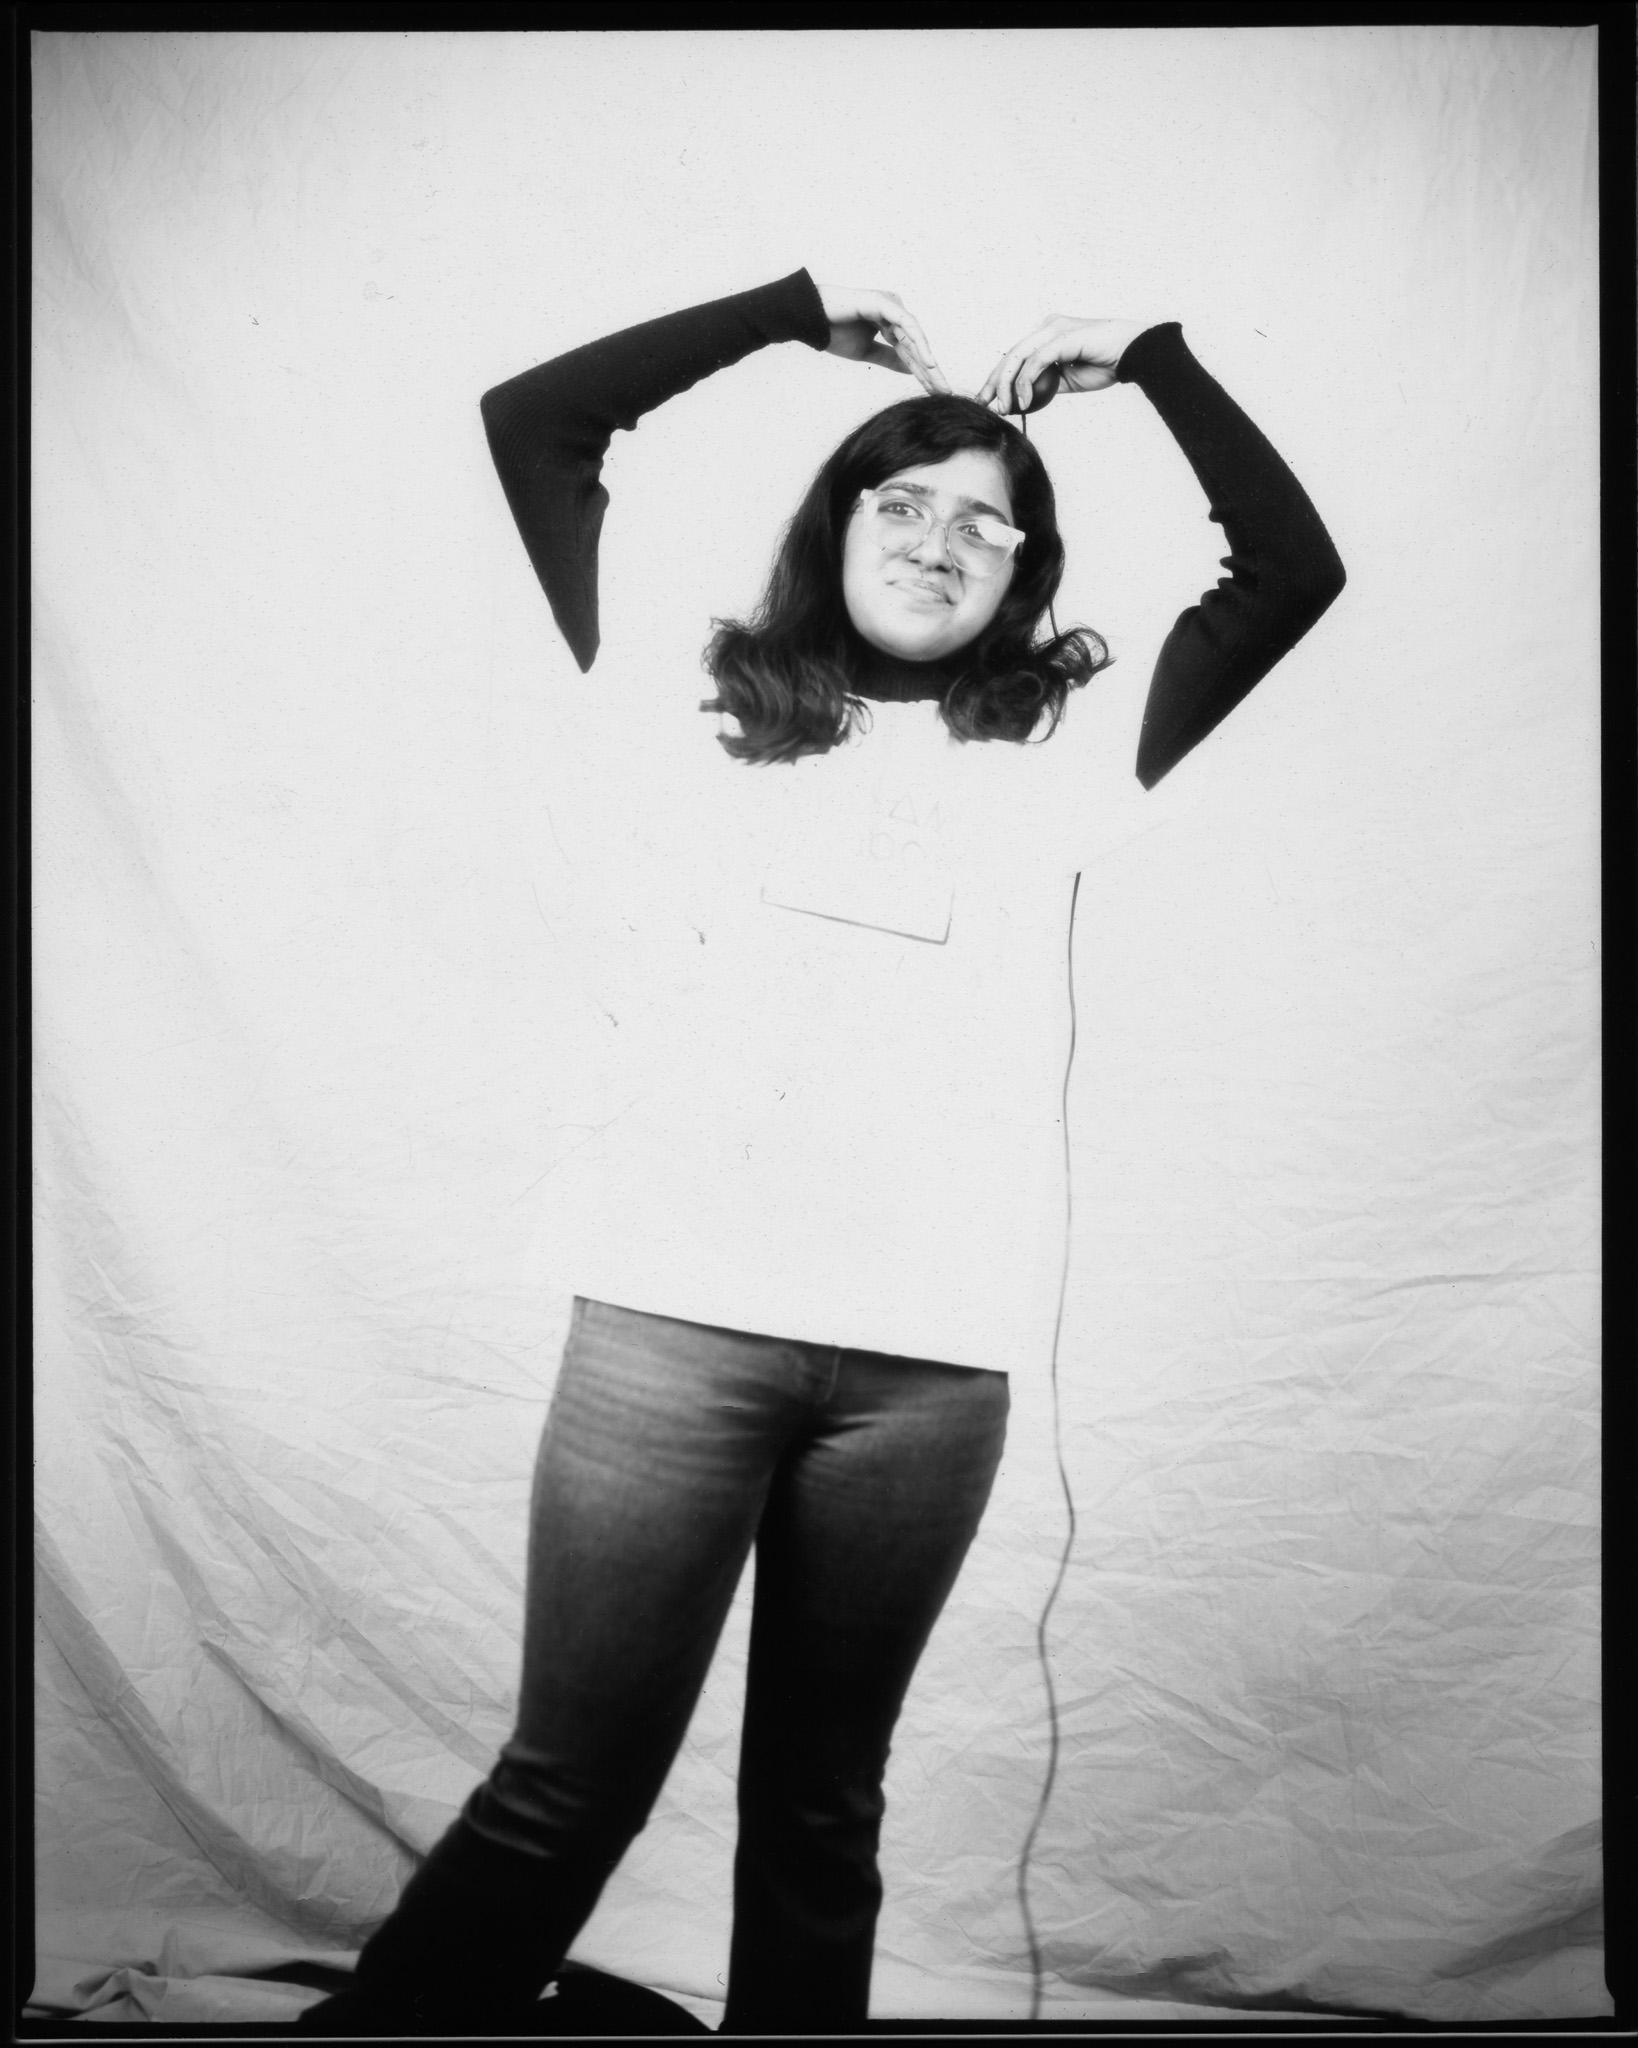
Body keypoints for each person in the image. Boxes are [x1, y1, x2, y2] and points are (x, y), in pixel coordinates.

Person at [300, 269, 1344, 2036]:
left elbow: (1289, 571)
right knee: (565, 1790)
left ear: (1025, 574)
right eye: (904, 502)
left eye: (987, 527)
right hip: (668, 1333)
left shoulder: (1066, 745)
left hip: (924, 1378)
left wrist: (1150, 359)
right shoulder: (685, 689)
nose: (941, 543)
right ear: (836, 521)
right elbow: (535, 424)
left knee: (819, 1812)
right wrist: (790, 311)